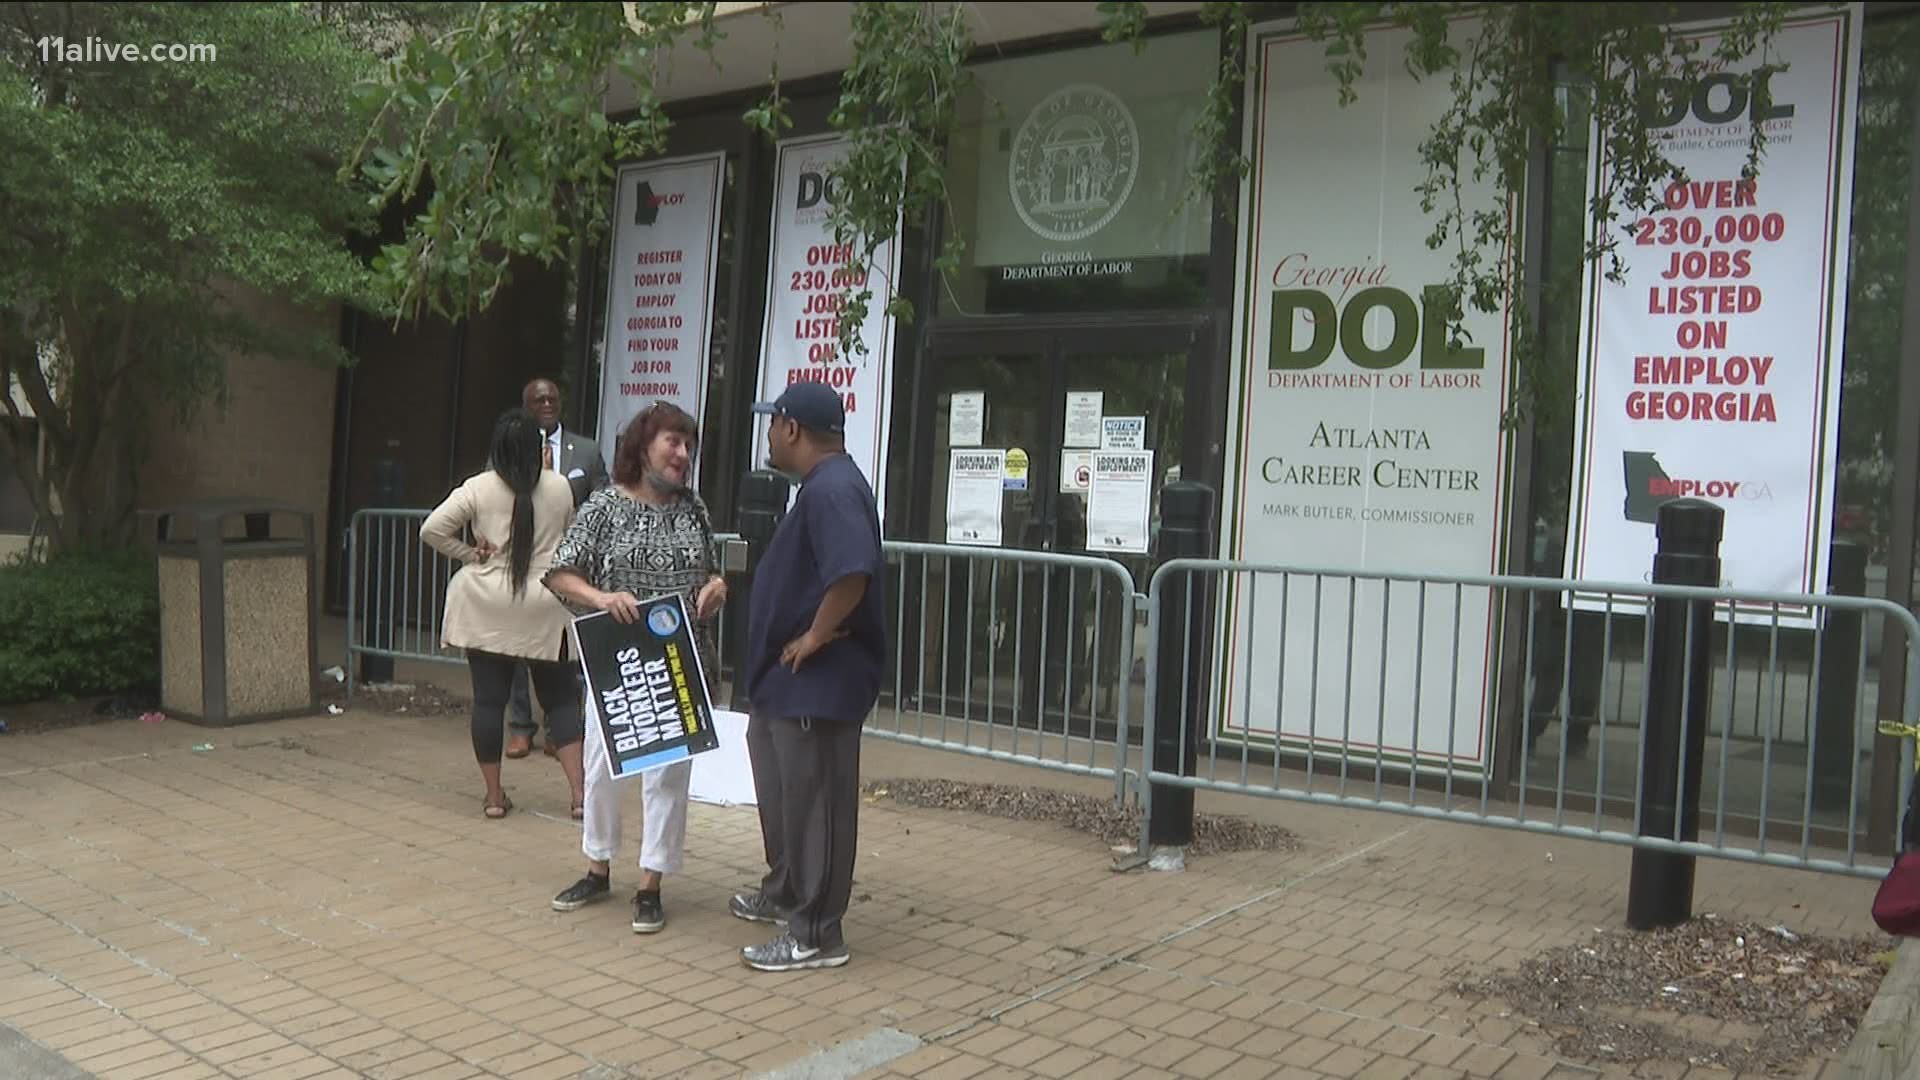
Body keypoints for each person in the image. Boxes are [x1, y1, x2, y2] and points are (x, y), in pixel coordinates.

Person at [543, 401, 728, 934]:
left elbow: (711, 573)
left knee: (668, 777)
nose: (683, 454)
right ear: (642, 445)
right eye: (673, 442)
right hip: (618, 665)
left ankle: (651, 884)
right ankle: (597, 866)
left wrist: (718, 588)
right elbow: (560, 575)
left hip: (677, 662)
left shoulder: (694, 509)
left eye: (688, 445)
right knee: (600, 769)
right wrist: (602, 599)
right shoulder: (603, 507)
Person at [731, 382, 887, 973]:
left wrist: (817, 634)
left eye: (773, 423)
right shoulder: (819, 488)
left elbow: (853, 572)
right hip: (786, 681)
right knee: (785, 791)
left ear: (792, 429)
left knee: (816, 800)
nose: (769, 433)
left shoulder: (835, 489)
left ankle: (817, 933)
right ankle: (788, 890)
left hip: (819, 681)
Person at [420, 408, 587, 819]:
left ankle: (495, 798)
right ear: (538, 446)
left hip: (487, 603)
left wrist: (471, 554)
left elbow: (431, 529)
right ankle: (580, 797)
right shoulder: (561, 488)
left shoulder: (477, 488)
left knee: (489, 701)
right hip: (545, 605)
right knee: (561, 700)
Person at [507, 377, 611, 761]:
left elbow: (603, 497)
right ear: (526, 406)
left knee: (566, 651)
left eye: (552, 398)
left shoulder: (585, 450)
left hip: (571, 567)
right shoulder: (513, 447)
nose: (547, 404)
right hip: (524, 561)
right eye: (538, 400)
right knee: (518, 647)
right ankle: (520, 728)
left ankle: (561, 732)